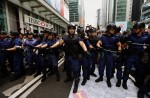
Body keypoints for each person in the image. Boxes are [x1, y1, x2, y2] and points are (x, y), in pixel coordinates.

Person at [49, 24, 90, 93]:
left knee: (76, 70)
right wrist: (52, 46)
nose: (71, 30)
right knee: (68, 69)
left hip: (75, 57)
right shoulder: (64, 37)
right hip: (67, 56)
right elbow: (59, 43)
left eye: (73, 29)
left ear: (74, 30)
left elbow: (82, 44)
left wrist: (86, 51)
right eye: (70, 29)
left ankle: (76, 84)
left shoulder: (77, 37)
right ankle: (69, 78)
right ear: (68, 30)